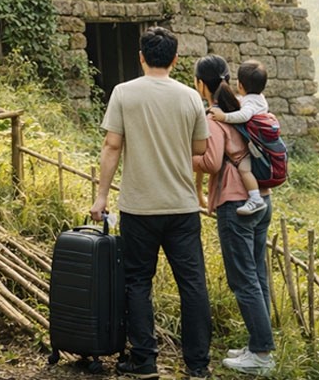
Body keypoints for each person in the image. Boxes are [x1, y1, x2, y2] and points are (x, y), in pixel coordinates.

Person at [90, 26, 211, 380]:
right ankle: (198, 366)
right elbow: (200, 149)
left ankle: (144, 362)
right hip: (182, 207)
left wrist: (101, 196)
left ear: (141, 57)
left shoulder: (124, 93)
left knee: (137, 282)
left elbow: (112, 146)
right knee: (192, 284)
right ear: (175, 59)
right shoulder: (190, 97)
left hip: (139, 208)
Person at [193, 55, 276, 376]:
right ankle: (258, 344)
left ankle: (262, 354)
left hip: (236, 204)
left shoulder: (217, 117)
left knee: (243, 280)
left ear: (202, 84)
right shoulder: (245, 108)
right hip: (261, 199)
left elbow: (212, 162)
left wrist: (187, 158)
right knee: (256, 275)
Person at [204, 60, 269, 216]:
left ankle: (255, 199)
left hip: (254, 147)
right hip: (260, 144)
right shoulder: (259, 99)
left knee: (244, 168)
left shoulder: (250, 104)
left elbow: (244, 115)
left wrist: (223, 116)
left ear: (240, 85)